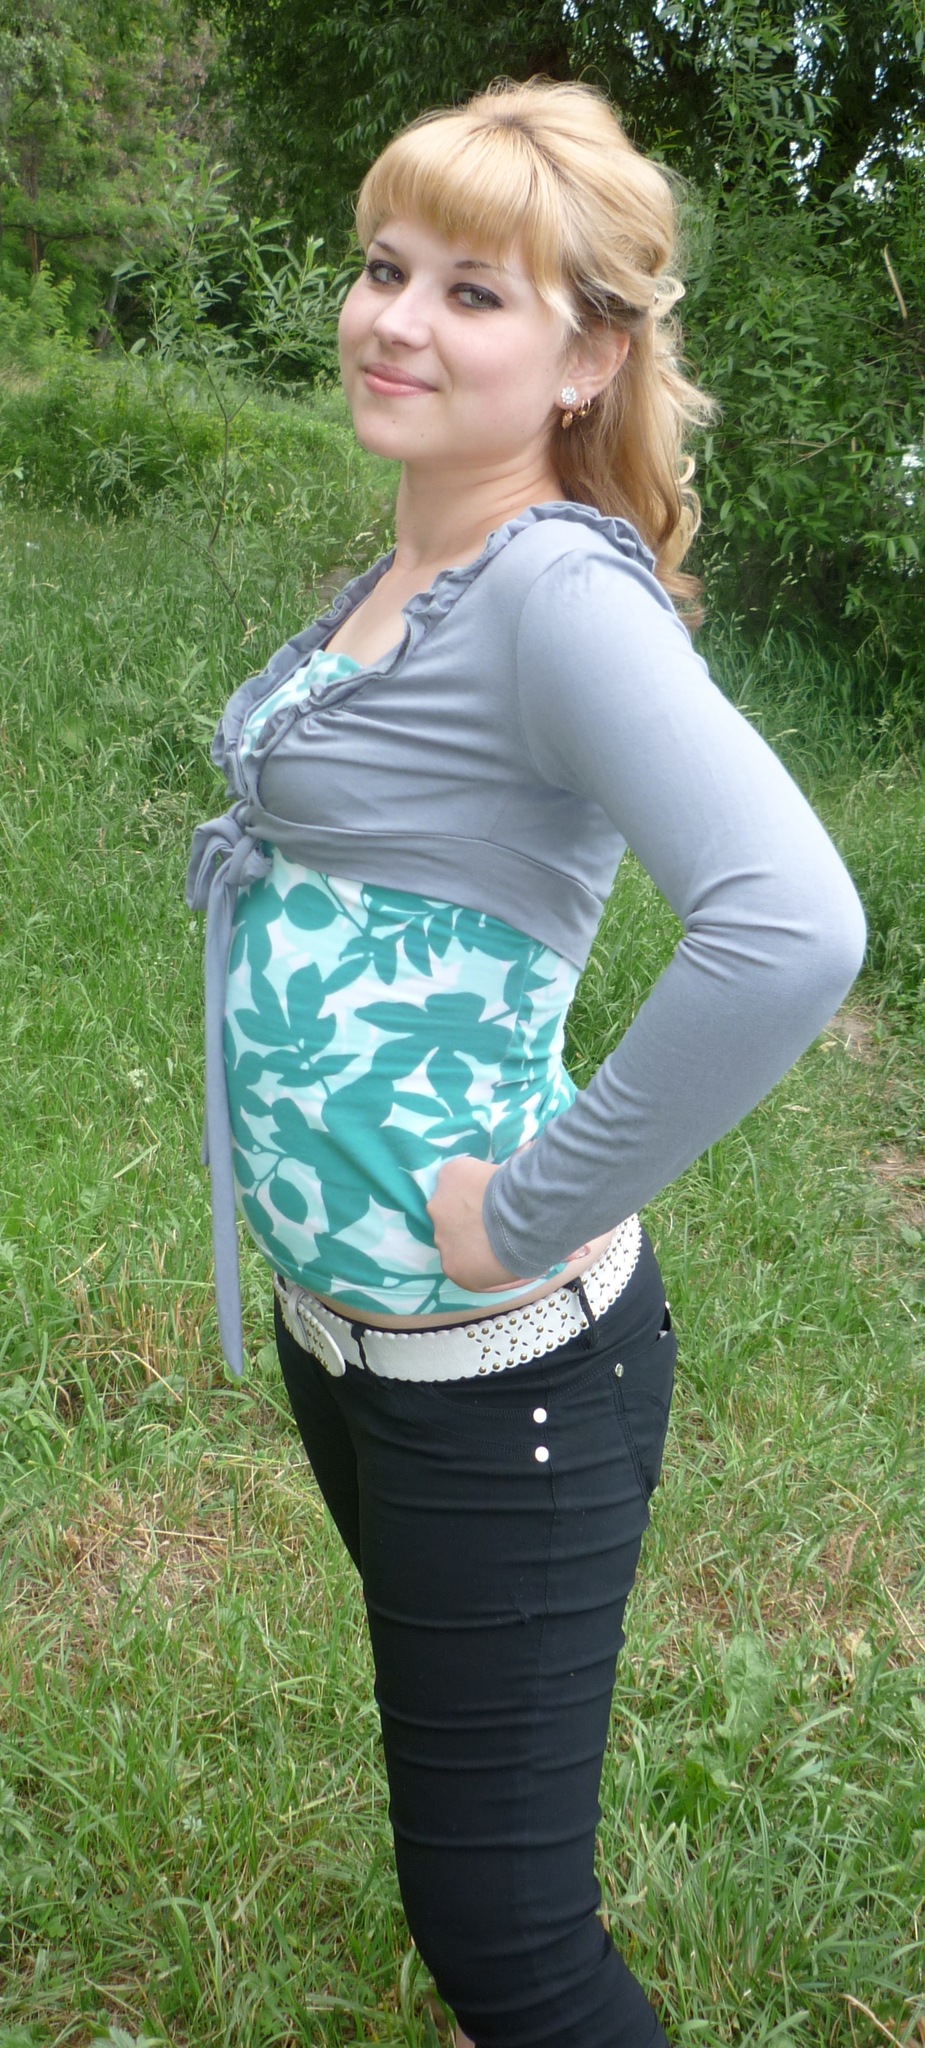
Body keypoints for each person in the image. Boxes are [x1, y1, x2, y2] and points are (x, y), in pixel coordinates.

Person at [186, 78, 866, 2048]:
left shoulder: (555, 591)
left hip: (502, 1384)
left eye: (470, 293)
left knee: (509, 1948)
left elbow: (790, 927)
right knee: (470, 1868)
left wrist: (531, 1206)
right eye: (381, 267)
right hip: (353, 1347)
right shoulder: (420, 565)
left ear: (585, 358)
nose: (391, 319)